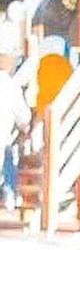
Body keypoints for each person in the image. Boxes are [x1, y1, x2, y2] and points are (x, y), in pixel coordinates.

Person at [0, 55, 30, 212]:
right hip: (3, 137)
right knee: (8, 160)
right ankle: (10, 197)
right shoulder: (11, 87)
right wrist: (25, 129)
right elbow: (23, 117)